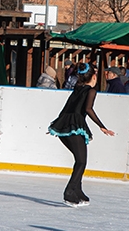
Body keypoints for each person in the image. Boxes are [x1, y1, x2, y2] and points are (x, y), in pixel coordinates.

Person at [48, 63, 116, 206]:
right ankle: (69, 192)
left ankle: (77, 190)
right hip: (75, 127)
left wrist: (57, 124)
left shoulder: (77, 88)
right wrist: (102, 127)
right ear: (93, 76)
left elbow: (67, 107)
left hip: (64, 127)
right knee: (81, 162)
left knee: (79, 160)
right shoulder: (91, 91)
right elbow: (88, 109)